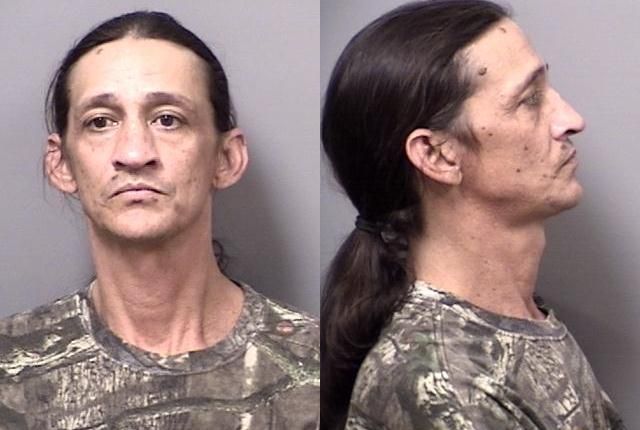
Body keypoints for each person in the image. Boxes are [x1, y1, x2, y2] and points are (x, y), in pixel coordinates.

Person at [0, 11, 318, 429]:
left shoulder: (320, 370)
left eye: (168, 119)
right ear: (61, 165)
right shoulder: (10, 372)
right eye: (100, 122)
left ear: (226, 157)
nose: (134, 153)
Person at [320, 1, 625, 429]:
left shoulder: (514, 321)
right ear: (438, 155)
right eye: (529, 99)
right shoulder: (446, 385)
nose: (571, 120)